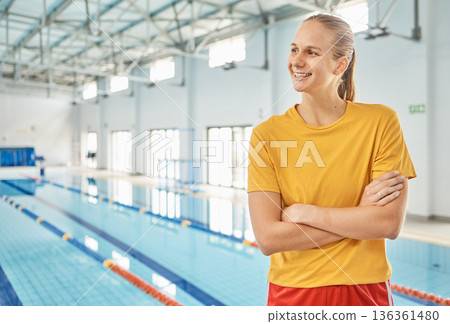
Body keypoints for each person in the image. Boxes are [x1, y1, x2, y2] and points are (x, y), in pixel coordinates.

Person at [247, 13, 417, 306]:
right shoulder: (266, 135)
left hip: (365, 288)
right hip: (292, 291)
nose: (296, 61)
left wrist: (305, 212)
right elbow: (269, 238)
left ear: (341, 64)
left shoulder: (380, 121)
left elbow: (387, 223)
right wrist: (359, 215)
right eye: (294, 49)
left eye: (311, 52)